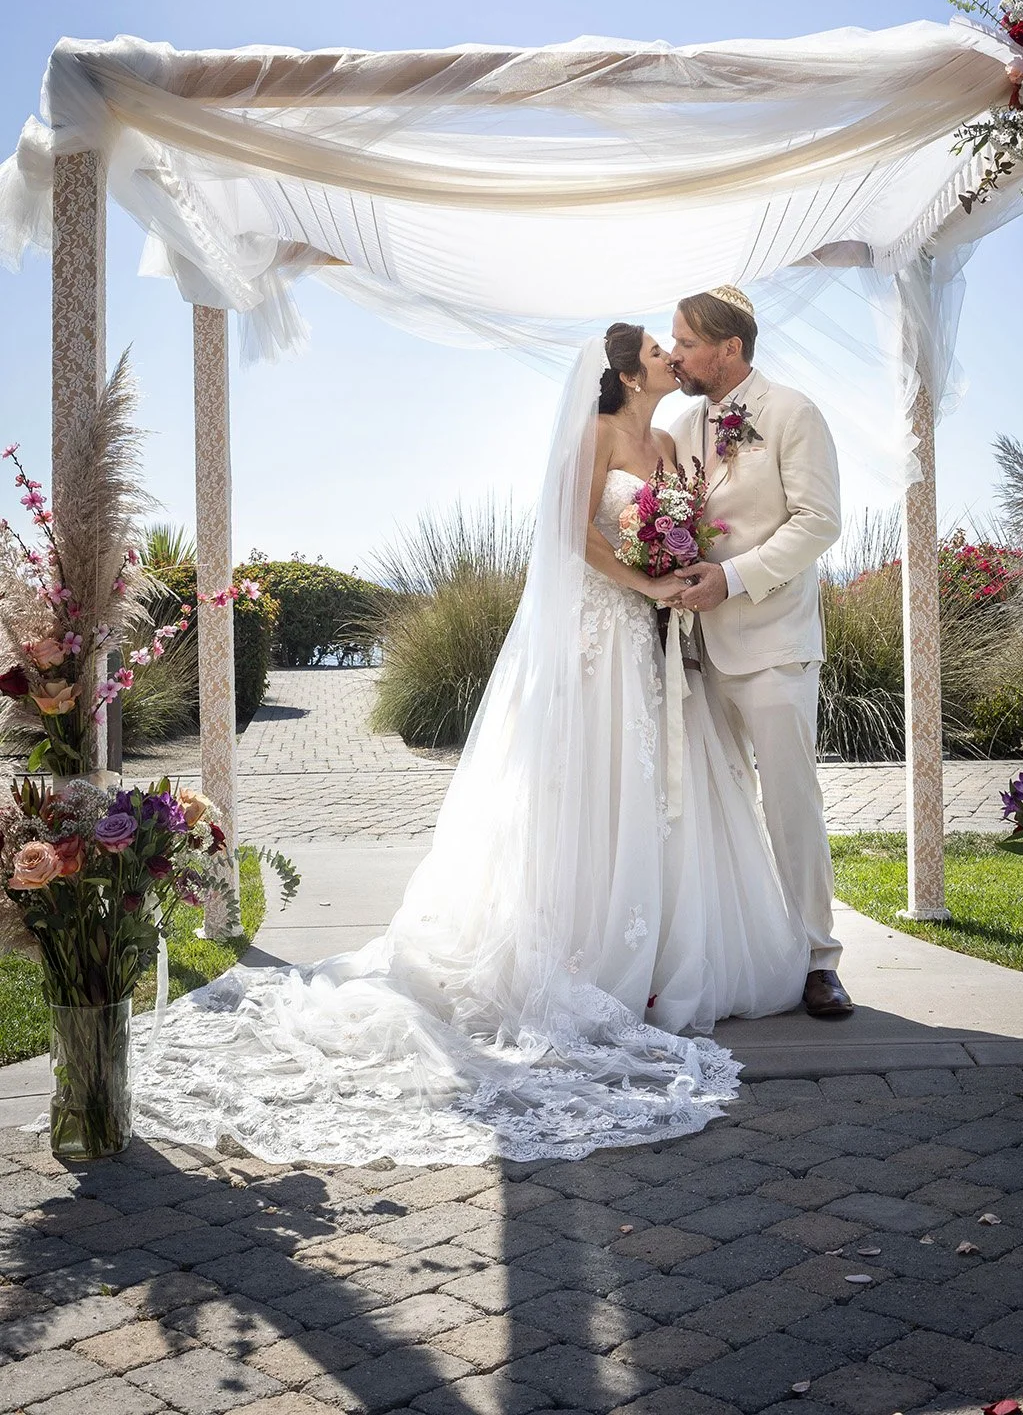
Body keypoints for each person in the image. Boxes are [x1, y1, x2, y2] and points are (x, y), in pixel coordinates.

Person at [133, 326, 806, 1167]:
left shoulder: (671, 439)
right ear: (630, 374)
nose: (676, 356)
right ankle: (588, 948)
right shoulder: (597, 434)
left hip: (657, 639)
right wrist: (644, 580)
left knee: (661, 785)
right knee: (594, 780)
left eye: (682, 348)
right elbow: (574, 536)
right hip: (603, 632)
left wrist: (681, 574)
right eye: (662, 351)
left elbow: (680, 525)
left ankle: (669, 951)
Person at [670, 286, 853, 1018]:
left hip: (775, 641)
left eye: (684, 341)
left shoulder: (793, 412)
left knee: (790, 804)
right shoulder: (682, 424)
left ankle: (818, 958)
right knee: (712, 809)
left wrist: (733, 578)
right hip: (695, 649)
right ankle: (730, 954)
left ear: (729, 348)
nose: (675, 353)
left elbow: (820, 522)